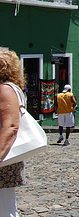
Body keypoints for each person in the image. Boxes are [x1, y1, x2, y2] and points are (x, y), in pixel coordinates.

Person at [0, 49, 26, 217]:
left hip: (3, 158)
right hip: (5, 157)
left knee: (4, 209)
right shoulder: (12, 88)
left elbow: (10, 127)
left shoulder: (5, 90)